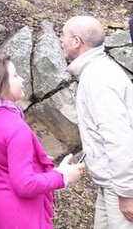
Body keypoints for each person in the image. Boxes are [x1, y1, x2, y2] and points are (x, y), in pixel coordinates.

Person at [0, 52, 85, 228]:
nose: (22, 79)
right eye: (15, 75)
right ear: (1, 85)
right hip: (14, 215)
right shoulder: (16, 127)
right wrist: (62, 177)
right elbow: (24, 184)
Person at [60, 16, 133, 228]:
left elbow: (119, 138)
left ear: (76, 41)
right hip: (110, 183)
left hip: (119, 186)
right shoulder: (96, 71)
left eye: (63, 34)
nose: (60, 39)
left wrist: (127, 192)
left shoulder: (98, 79)